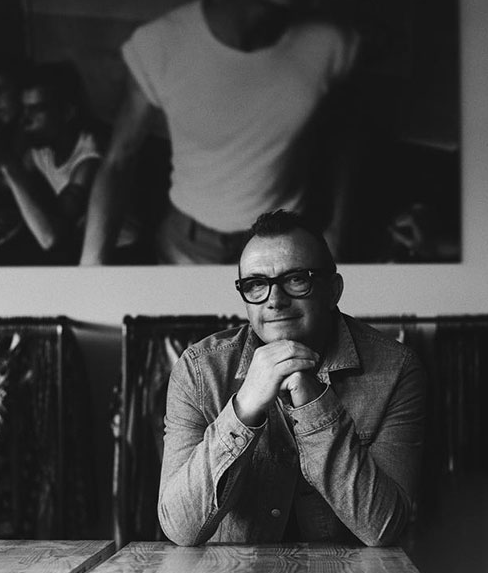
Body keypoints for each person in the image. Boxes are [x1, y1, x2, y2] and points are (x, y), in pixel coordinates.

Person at [80, 0, 359, 266]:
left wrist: (336, 232)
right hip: (190, 248)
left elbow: (345, 143)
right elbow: (118, 160)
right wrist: (91, 268)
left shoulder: (333, 45)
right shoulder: (158, 46)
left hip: (286, 244)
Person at [158, 209, 426, 546]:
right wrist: (244, 409)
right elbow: (180, 528)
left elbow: (383, 527)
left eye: (296, 279)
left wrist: (313, 404)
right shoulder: (198, 371)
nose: (275, 300)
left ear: (333, 290)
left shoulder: (396, 370)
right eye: (256, 284)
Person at [0, 61, 101, 263]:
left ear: (67, 113)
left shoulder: (89, 162)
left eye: (35, 109)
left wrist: (8, 164)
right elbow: (4, 186)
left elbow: (51, 238)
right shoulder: (42, 149)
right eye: (24, 109)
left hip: (120, 256)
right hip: (82, 247)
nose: (24, 119)